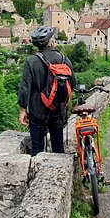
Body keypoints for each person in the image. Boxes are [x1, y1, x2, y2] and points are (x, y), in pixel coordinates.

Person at [18, 26, 77, 156]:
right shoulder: (63, 59)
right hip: (57, 109)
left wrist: (23, 109)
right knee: (58, 148)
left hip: (37, 111)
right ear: (51, 42)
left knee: (37, 149)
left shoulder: (31, 61)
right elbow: (73, 83)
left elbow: (25, 87)